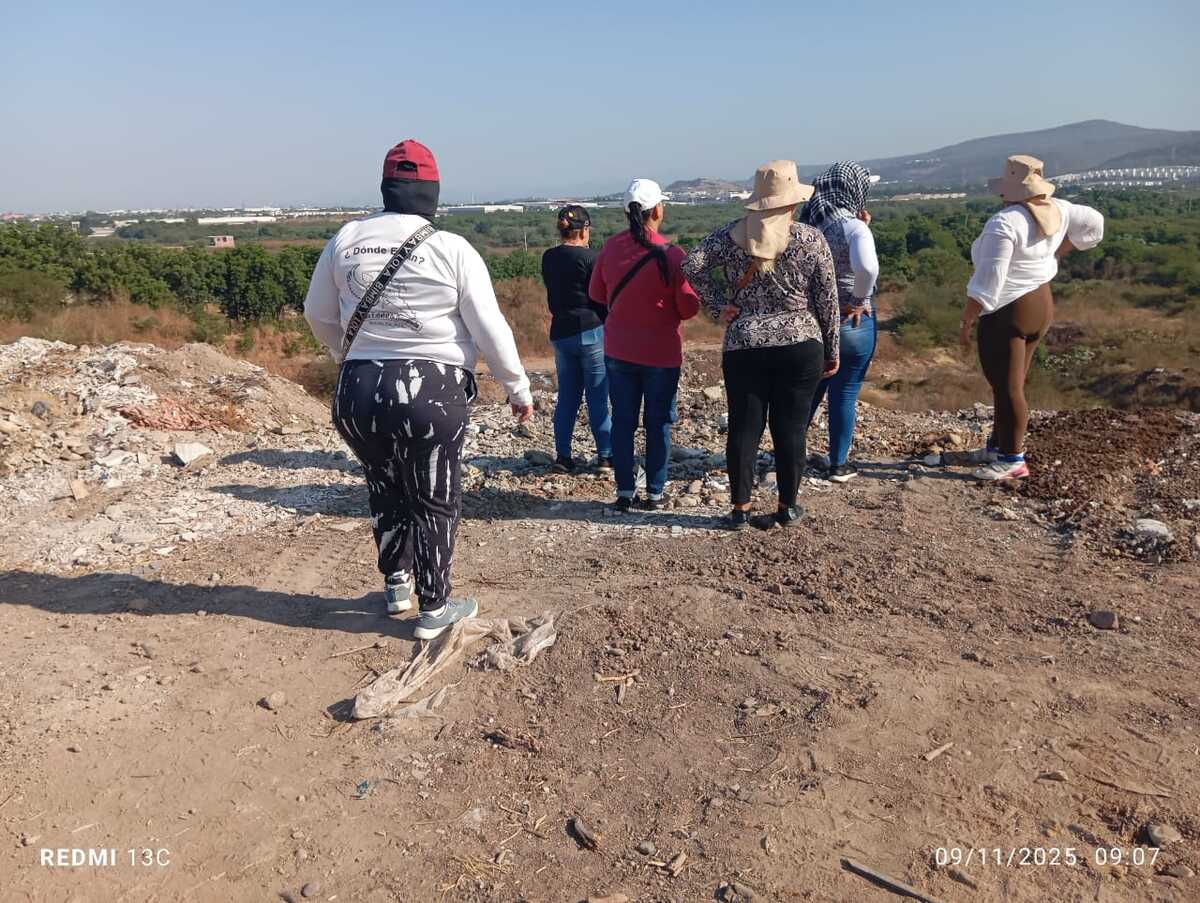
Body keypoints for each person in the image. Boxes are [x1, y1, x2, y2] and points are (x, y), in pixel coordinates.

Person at [303, 139, 533, 638]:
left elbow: (316, 312)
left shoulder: (347, 239)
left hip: (358, 389)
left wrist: (347, 355)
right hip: (430, 388)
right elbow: (489, 326)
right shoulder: (451, 248)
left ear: (386, 187)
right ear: (432, 191)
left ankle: (397, 584)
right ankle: (435, 607)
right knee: (433, 495)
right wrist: (517, 387)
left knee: (384, 482)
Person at [683, 160, 839, 530]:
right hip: (801, 342)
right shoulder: (809, 238)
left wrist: (719, 304)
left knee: (744, 427)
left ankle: (740, 509)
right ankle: (787, 506)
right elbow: (827, 300)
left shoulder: (731, 236)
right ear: (793, 201)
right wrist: (833, 349)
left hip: (744, 342)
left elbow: (691, 265)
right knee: (790, 427)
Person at [961, 154, 1104, 481]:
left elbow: (989, 279)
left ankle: (1012, 459)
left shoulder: (1005, 222)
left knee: (1007, 386)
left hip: (1008, 308)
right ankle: (998, 445)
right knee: (1009, 382)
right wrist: (1059, 251)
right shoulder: (1061, 209)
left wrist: (968, 318)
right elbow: (1095, 223)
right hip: (1041, 302)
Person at [589, 179, 700, 511]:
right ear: (658, 210)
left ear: (627, 212)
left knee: (623, 420)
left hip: (619, 350)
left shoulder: (609, 248)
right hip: (661, 355)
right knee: (658, 422)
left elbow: (597, 294)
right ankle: (654, 491)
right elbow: (689, 308)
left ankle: (625, 491)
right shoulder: (672, 255)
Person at [799, 161, 880, 483]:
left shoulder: (807, 226)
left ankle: (790, 455)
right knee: (845, 391)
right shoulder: (854, 228)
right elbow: (868, 268)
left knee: (811, 390)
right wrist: (859, 301)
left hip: (815, 319)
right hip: (851, 320)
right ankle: (838, 464)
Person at [540, 205, 612, 475]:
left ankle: (563, 456)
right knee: (597, 397)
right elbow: (601, 298)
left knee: (568, 397)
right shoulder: (593, 259)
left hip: (560, 332)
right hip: (591, 330)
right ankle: (605, 456)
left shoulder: (548, 257)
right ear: (585, 229)